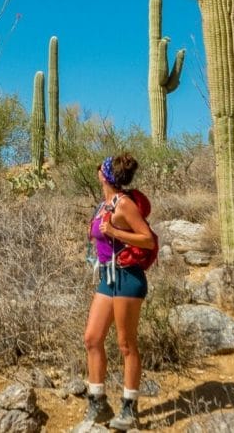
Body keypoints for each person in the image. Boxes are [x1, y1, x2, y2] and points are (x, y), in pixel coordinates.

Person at [83, 153, 155, 429]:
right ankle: (98, 403)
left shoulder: (123, 205)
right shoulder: (104, 204)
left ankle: (129, 408)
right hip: (108, 277)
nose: (98, 168)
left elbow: (147, 239)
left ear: (107, 175)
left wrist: (114, 231)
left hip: (127, 278)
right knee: (92, 338)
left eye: (102, 166)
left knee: (126, 344)